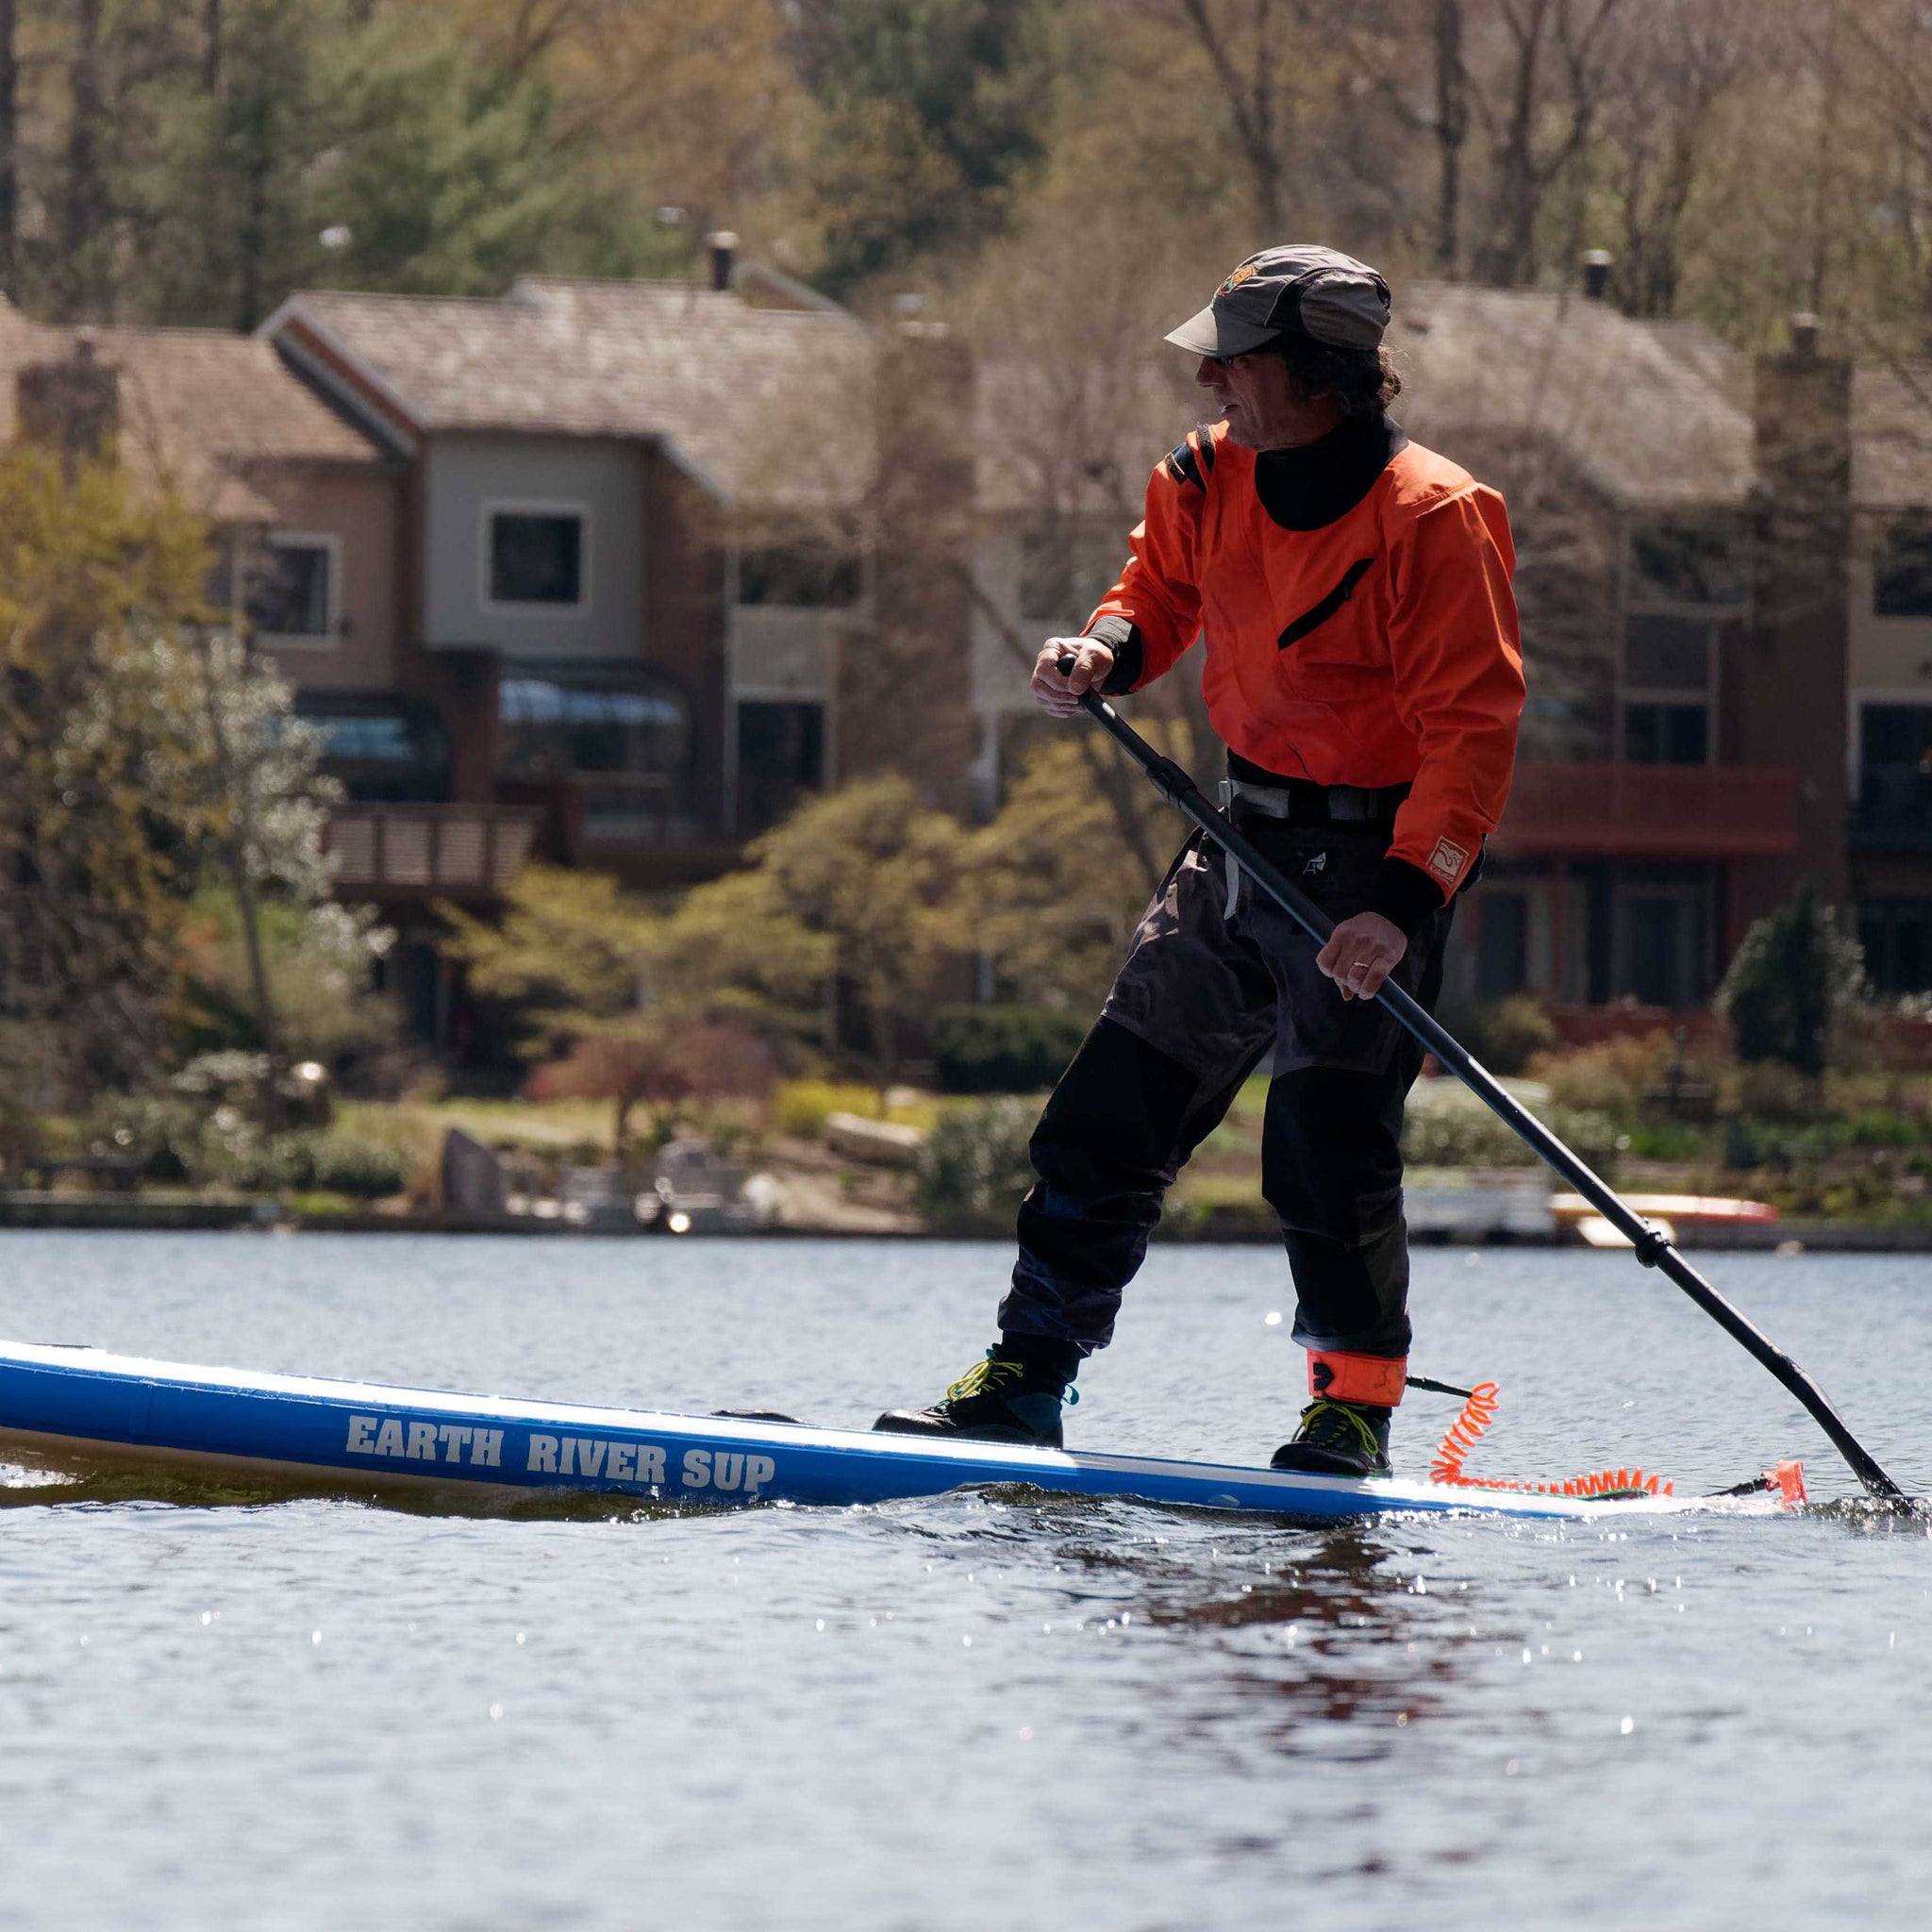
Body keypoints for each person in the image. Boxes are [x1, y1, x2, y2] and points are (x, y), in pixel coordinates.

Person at [876, 245, 1524, 1476]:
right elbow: (1154, 598)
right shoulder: (1203, 476)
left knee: (1323, 1152)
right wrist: (1101, 652)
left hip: (1374, 866)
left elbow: (1473, 734)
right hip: (1236, 844)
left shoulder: (1437, 518)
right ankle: (1027, 1378)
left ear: (1320, 373)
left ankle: (1351, 1415)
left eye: (1237, 359)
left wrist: (1400, 902)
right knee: (1102, 1121)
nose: (1212, 377)